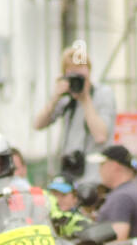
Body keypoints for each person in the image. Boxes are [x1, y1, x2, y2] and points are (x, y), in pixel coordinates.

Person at [33, 45, 116, 182]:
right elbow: (38, 125)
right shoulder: (66, 97)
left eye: (80, 70)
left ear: (89, 71)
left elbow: (100, 136)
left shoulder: (102, 94)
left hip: (95, 178)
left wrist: (85, 99)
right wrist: (55, 97)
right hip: (69, 175)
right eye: (72, 72)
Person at [91, 145, 137, 240]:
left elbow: (118, 240)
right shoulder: (130, 190)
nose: (99, 170)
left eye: (102, 165)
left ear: (114, 166)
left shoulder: (122, 196)